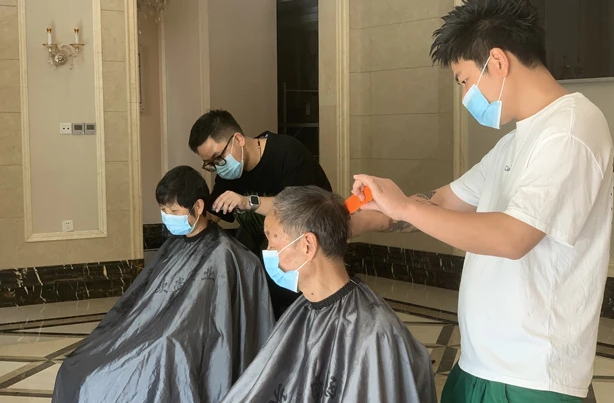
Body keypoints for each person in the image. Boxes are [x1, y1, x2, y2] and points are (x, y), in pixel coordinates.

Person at [350, 0, 614, 402]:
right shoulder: (513, 143)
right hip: (479, 362)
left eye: (464, 80)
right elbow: (440, 203)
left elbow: (513, 237)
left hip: (531, 377)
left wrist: (403, 206)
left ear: (498, 62)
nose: (465, 96)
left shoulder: (571, 130)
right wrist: (353, 220)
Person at [52, 166, 275, 403]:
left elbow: (215, 323)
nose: (168, 216)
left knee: (115, 377)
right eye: (163, 210)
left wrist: (165, 334)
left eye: (174, 210)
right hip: (150, 332)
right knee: (75, 368)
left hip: (176, 344)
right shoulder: (173, 245)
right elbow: (138, 304)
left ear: (198, 207)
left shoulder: (226, 255)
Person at [218, 186, 437, 403]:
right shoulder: (304, 308)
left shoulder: (374, 335)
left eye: (272, 238)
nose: (268, 249)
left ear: (307, 245)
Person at [189, 110, 332, 319]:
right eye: (210, 164)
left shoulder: (288, 154)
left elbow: (297, 209)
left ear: (238, 139)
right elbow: (211, 217)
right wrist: (184, 215)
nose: (218, 167)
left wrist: (247, 202)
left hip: (310, 256)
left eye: (218, 158)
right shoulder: (229, 175)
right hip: (267, 259)